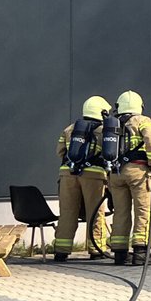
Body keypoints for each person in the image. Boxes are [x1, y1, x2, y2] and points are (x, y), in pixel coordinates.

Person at [54, 96, 112, 261]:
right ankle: (96, 249)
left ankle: (61, 250)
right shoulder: (104, 131)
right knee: (95, 213)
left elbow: (60, 152)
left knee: (67, 212)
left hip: (68, 174)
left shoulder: (69, 129)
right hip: (93, 176)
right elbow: (110, 154)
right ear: (102, 112)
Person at [107, 90, 151, 265]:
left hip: (116, 173)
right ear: (139, 106)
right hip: (137, 171)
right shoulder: (142, 121)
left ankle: (120, 254)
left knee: (120, 212)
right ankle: (140, 254)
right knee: (142, 210)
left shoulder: (113, 123)